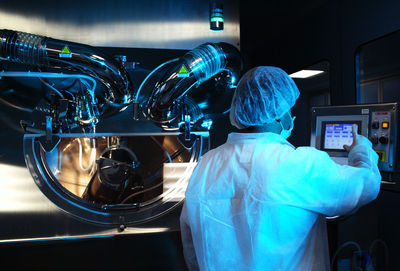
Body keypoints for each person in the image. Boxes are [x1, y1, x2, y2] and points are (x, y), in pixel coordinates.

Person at [180, 66, 381, 271]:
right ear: (277, 114)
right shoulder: (296, 163)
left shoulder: (205, 165)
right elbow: (365, 187)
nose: (290, 116)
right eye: (289, 109)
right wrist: (361, 151)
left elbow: (191, 246)